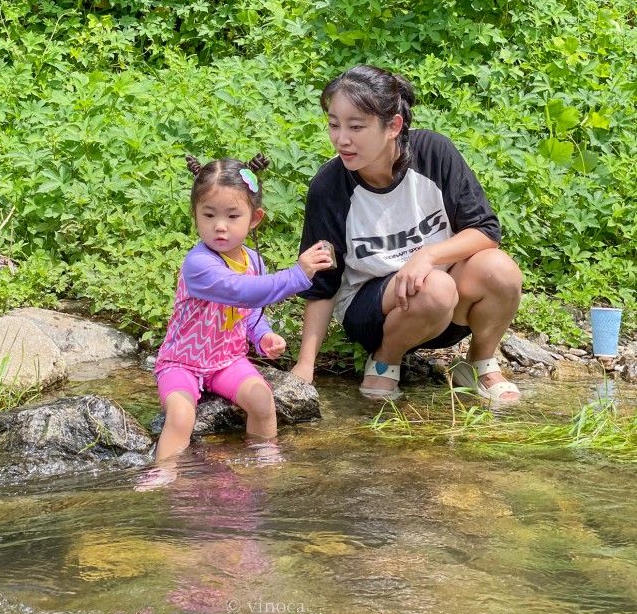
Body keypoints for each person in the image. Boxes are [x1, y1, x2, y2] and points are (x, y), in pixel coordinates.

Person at [291, 65, 522, 403]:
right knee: (436, 287)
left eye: (356, 127)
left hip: (448, 304)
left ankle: (479, 364)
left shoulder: (433, 154)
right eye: (334, 124)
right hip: (375, 312)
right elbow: (323, 284)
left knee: (499, 269)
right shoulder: (329, 187)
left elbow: (485, 230)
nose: (342, 139)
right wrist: (304, 366)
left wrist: (427, 255)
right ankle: (385, 361)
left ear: (393, 126)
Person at [153, 154, 334, 465]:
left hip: (226, 361)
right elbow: (241, 293)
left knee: (263, 401)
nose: (219, 227)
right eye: (208, 215)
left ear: (255, 219)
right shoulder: (199, 264)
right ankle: (166, 472)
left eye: (232, 216)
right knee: (182, 415)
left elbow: (249, 313)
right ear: (195, 215)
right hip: (181, 363)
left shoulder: (253, 261)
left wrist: (262, 335)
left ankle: (262, 457)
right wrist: (298, 275)